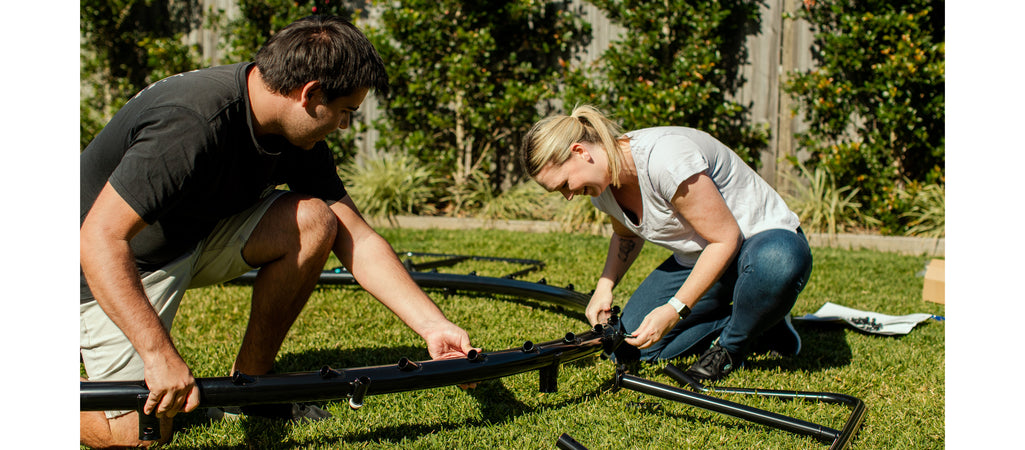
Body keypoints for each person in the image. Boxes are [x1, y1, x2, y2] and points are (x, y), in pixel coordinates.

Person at [80, 15, 477, 448]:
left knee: (314, 220)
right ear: (309, 95)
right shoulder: (191, 122)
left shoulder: (292, 132)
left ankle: (250, 388)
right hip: (106, 261)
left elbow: (357, 238)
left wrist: (433, 326)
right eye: (345, 112)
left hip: (190, 237)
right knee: (140, 436)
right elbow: (98, 238)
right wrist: (158, 355)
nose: (344, 127)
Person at [518, 105, 812, 383]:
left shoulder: (665, 158)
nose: (569, 196)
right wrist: (604, 287)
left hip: (758, 244)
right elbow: (626, 235)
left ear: (580, 152)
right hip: (701, 258)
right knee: (636, 346)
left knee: (779, 260)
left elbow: (726, 238)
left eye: (564, 185)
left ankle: (731, 348)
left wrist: (674, 309)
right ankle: (762, 323)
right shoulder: (602, 188)